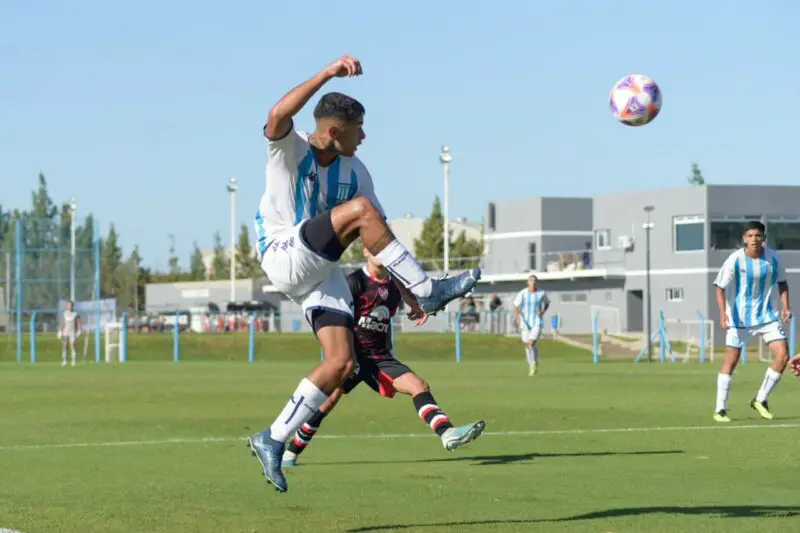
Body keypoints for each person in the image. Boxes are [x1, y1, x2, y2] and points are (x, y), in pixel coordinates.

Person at [247, 55, 481, 493]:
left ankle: (273, 439)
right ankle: (431, 287)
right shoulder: (288, 149)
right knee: (360, 212)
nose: (365, 137)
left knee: (341, 363)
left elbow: (380, 239)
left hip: (320, 269)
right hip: (282, 251)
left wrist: (406, 295)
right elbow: (278, 113)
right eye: (359, 129)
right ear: (334, 130)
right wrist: (327, 73)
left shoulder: (356, 172)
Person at [281, 248, 486, 467]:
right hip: (352, 355)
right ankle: (289, 452)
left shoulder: (394, 287)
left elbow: (389, 319)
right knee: (327, 402)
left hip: (379, 357)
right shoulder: (354, 282)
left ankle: (447, 433)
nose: (378, 253)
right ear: (365, 252)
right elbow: (335, 320)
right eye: (373, 249)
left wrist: (416, 312)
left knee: (419, 385)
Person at [713, 221, 792, 422]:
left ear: (764, 238)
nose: (754, 239)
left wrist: (785, 307)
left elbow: (782, 283)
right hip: (739, 319)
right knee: (731, 363)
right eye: (750, 236)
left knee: (783, 356)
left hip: (767, 317)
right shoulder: (735, 260)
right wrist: (723, 314)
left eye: (758, 236)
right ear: (744, 239)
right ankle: (720, 409)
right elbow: (719, 287)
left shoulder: (774, 258)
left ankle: (760, 399)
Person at [513, 275, 550, 376]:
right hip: (525, 322)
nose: (533, 282)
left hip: (537, 321)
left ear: (536, 282)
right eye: (531, 280)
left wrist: (542, 311)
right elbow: (515, 306)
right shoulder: (523, 293)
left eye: (534, 280)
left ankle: (533, 366)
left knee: (531, 343)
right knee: (528, 346)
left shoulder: (541, 293)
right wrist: (518, 319)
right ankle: (533, 364)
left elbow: (547, 303)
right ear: (527, 282)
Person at [58, 300, 81, 367]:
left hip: (72, 332)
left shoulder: (76, 314)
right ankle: (64, 361)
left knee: (73, 346)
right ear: (67, 306)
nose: (69, 306)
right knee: (65, 346)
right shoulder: (65, 313)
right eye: (68, 305)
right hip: (65, 332)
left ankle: (73, 361)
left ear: (72, 306)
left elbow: (78, 323)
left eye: (71, 305)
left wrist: (79, 330)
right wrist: (60, 331)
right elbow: (63, 323)